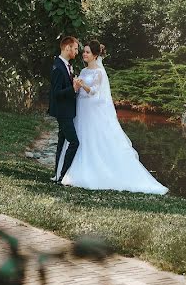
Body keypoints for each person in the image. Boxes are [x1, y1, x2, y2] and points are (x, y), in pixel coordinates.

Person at [57, 40, 168, 195]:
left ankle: (97, 170)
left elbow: (94, 91)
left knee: (94, 137)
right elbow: (79, 92)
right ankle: (71, 169)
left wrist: (82, 85)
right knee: (81, 136)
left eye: (88, 52)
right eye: (84, 52)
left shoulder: (99, 72)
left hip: (92, 110)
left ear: (95, 55)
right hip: (82, 109)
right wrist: (76, 86)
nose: (84, 54)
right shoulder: (82, 71)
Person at [48, 36, 82, 183]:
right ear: (67, 48)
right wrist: (72, 88)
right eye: (75, 49)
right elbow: (56, 94)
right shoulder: (57, 67)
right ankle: (63, 175)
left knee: (62, 142)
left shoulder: (67, 65)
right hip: (62, 112)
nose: (76, 52)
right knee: (74, 142)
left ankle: (57, 174)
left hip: (67, 110)